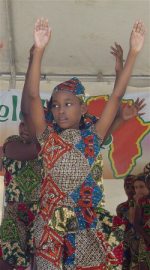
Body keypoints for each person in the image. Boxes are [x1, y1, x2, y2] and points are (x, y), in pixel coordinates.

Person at [21, 18, 145, 269]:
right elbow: (32, 97)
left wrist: (133, 52)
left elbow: (117, 96)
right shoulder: (48, 138)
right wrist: (39, 52)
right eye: (55, 105)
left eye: (68, 104)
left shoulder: (92, 137)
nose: (60, 110)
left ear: (83, 107)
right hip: (49, 230)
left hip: (85, 228)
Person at [0, 120, 42, 270]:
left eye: (31, 123)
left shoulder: (50, 149)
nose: (25, 128)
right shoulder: (12, 142)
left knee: (40, 260)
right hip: (14, 214)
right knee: (8, 257)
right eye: (23, 123)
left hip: (41, 215)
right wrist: (49, 137)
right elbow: (30, 151)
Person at [116, 175, 137, 269]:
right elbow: (119, 227)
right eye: (127, 187)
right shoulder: (121, 207)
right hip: (125, 243)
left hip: (139, 242)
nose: (129, 190)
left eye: (132, 187)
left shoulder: (143, 206)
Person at [134, 173, 150, 270]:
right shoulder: (142, 202)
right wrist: (147, 238)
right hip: (145, 240)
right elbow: (136, 223)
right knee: (144, 265)